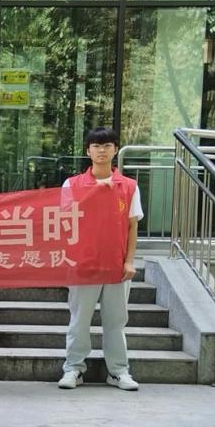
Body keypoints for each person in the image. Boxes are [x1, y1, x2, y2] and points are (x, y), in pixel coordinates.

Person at [58, 127, 142, 391]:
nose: (101, 150)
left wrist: (129, 261)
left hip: (116, 266)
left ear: (115, 149)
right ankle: (73, 368)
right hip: (83, 265)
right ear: (88, 151)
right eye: (96, 145)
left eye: (106, 145)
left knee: (115, 322)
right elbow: (62, 223)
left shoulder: (129, 186)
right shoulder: (72, 185)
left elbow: (132, 226)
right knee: (79, 321)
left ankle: (118, 372)